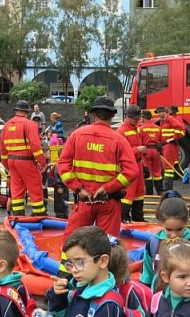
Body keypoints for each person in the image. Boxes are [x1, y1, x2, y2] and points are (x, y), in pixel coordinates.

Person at [58, 96, 139, 238]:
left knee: (73, 243)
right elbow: (132, 172)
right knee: (108, 244)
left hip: (84, 200)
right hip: (108, 201)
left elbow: (63, 165)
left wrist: (78, 188)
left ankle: (68, 261)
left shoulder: (76, 135)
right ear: (113, 115)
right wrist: (108, 188)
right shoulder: (119, 140)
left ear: (93, 114)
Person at [1, 100, 48, 216]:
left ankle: (18, 216)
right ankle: (38, 215)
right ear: (27, 112)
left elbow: (2, 148)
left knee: (16, 189)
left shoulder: (7, 125)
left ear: (16, 111)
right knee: (35, 187)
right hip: (26, 160)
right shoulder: (29, 124)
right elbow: (35, 146)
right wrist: (43, 162)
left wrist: (7, 164)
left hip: (11, 160)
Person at [118, 105, 147, 223]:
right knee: (128, 193)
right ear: (128, 117)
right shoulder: (122, 131)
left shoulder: (136, 128)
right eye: (135, 118)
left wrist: (143, 164)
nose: (137, 120)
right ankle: (123, 217)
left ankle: (138, 218)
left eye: (138, 118)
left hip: (138, 164)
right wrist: (137, 150)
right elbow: (120, 152)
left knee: (139, 192)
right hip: (128, 166)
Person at [160, 105, 186, 190]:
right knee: (174, 164)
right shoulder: (166, 119)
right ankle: (180, 178)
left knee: (168, 167)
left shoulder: (173, 119)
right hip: (166, 145)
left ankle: (167, 186)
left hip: (170, 145)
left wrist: (173, 138)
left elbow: (181, 129)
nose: (169, 111)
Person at [140, 110, 164, 195]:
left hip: (146, 151)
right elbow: (161, 141)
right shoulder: (158, 128)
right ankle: (160, 190)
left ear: (144, 117)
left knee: (148, 171)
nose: (141, 119)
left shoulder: (141, 128)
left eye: (142, 117)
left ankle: (149, 191)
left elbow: (140, 141)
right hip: (156, 151)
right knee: (157, 171)